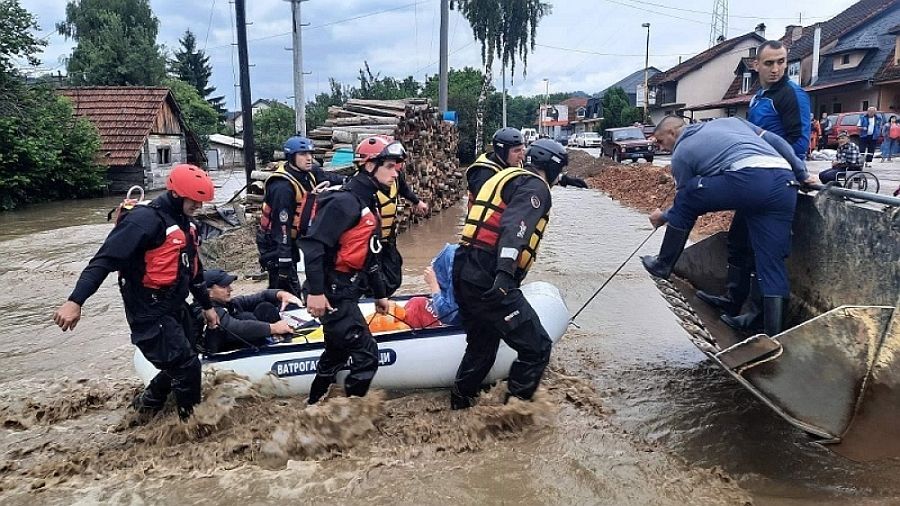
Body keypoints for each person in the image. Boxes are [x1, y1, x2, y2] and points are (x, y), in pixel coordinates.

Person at [52, 164, 220, 421]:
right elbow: (103, 261)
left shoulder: (185, 224)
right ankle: (192, 427)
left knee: (186, 357)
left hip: (173, 306)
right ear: (177, 194)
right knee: (187, 366)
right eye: (194, 201)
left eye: (201, 202)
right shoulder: (144, 221)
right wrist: (75, 301)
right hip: (148, 313)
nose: (199, 206)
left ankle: (147, 404)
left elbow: (193, 271)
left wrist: (207, 306)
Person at [640, 116, 816, 337]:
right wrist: (802, 174)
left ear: (672, 133)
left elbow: (685, 199)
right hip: (784, 181)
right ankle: (769, 331)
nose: (660, 147)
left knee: (689, 195)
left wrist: (662, 217)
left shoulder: (681, 152)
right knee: (769, 259)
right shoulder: (732, 121)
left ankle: (662, 265)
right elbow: (775, 140)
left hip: (749, 179)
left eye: (660, 141)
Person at [699, 39, 811, 330]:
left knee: (767, 253)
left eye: (781, 62)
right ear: (756, 66)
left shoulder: (791, 95)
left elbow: (798, 143)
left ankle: (759, 319)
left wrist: (788, 174)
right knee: (738, 240)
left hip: (776, 182)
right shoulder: (759, 96)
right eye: (770, 63)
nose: (776, 69)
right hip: (755, 178)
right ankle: (733, 298)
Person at [450, 139, 567, 410]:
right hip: (490, 273)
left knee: (482, 345)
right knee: (537, 348)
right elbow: (516, 226)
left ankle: (459, 405)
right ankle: (512, 416)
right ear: (552, 168)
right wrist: (504, 273)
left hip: (464, 266)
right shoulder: (536, 187)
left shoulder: (506, 175)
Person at [298, 137, 404, 405]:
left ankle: (313, 405)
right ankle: (349, 417)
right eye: (390, 167)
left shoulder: (367, 200)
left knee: (336, 352)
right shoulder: (345, 202)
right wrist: (317, 293)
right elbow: (313, 248)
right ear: (369, 165)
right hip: (331, 292)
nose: (395, 173)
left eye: (396, 167)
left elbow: (370, 254)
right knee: (367, 354)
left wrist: (380, 294)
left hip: (345, 287)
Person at [256, 135, 345, 296]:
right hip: (275, 240)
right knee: (284, 283)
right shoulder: (282, 187)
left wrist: (349, 182)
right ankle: (278, 309)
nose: (309, 158)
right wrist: (284, 258)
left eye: (310, 154)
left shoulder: (310, 172)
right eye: (303, 154)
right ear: (291, 157)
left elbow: (331, 179)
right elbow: (281, 227)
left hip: (294, 235)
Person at [361, 135, 429, 296]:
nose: (395, 172)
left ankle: (380, 296)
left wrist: (417, 202)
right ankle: (370, 298)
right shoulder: (361, 190)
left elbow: (404, 189)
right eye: (390, 165)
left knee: (393, 275)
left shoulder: (395, 179)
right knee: (370, 276)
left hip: (387, 238)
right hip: (367, 243)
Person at [467, 128, 586, 208]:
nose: (522, 155)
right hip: (483, 236)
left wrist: (563, 179)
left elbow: (532, 175)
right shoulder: (482, 173)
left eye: (523, 149)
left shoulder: (514, 162)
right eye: (516, 151)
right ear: (502, 151)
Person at [195, 268, 302, 353]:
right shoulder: (203, 310)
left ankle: (281, 343)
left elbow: (261, 296)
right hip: (217, 359)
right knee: (246, 318)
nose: (230, 289)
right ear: (209, 292)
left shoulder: (228, 303)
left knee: (264, 308)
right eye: (224, 286)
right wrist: (273, 328)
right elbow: (235, 328)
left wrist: (281, 294)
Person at [423, 243, 461, 326]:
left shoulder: (457, 280)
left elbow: (447, 315)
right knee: (417, 302)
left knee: (417, 304)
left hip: (459, 323)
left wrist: (433, 284)